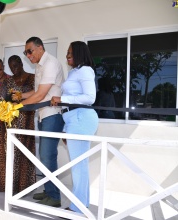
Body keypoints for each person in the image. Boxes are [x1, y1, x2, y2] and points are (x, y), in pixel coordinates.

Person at [51, 41, 99, 214]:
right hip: (73, 119)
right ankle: (82, 205)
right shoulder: (74, 72)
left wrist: (63, 100)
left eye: (70, 52)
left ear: (79, 52)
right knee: (80, 165)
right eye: (67, 52)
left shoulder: (86, 70)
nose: (67, 55)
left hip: (81, 118)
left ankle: (77, 209)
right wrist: (65, 127)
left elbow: (89, 98)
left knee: (78, 166)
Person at [19, 37, 65, 207]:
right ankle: (49, 190)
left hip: (53, 115)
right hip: (43, 115)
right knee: (45, 157)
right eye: (25, 53)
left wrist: (16, 107)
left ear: (40, 48)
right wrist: (20, 96)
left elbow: (39, 95)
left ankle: (54, 197)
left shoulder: (51, 63)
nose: (28, 55)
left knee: (48, 156)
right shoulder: (40, 65)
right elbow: (37, 92)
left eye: (29, 51)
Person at [0, 55, 36, 194]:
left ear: (22, 63)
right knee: (8, 152)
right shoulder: (7, 81)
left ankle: (23, 186)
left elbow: (38, 96)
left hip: (26, 121)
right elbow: (2, 99)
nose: (13, 69)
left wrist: (20, 99)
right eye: (11, 67)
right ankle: (5, 185)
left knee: (23, 152)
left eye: (16, 65)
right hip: (10, 122)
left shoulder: (32, 78)